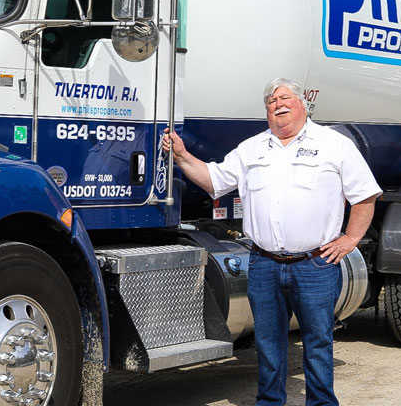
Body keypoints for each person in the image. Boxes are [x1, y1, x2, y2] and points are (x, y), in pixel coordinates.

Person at [163, 77, 381, 406]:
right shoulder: (251, 149)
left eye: (284, 98)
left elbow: (365, 195)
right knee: (267, 342)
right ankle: (270, 401)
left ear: (303, 105)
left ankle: (322, 403)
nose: (277, 104)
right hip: (264, 263)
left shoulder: (333, 144)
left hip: (315, 264)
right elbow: (215, 180)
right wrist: (182, 156)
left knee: (318, 341)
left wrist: (350, 239)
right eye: (270, 101)